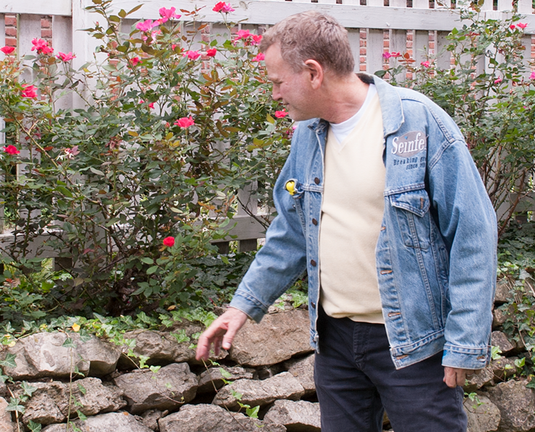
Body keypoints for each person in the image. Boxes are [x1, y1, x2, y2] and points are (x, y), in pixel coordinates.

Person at [195, 10, 497, 432]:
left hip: (414, 342)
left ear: (313, 73)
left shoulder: (419, 122)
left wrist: (464, 342)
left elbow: (473, 234)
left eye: (278, 82)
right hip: (335, 342)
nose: (275, 93)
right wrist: (242, 307)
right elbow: (291, 232)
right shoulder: (308, 135)